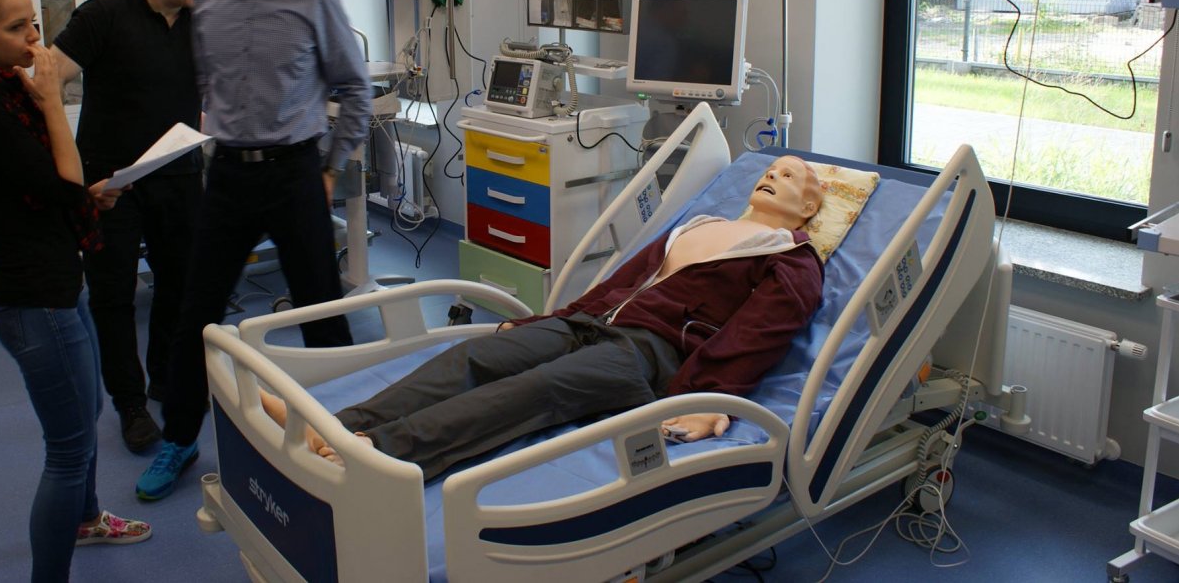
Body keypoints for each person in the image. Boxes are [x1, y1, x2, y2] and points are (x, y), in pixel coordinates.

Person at [263, 156, 825, 481]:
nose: (771, 175)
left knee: (536, 388)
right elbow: (617, 285)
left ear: (808, 208)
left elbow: (756, 336)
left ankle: (381, 452)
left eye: (789, 176)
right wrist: (547, 322)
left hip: (648, 355)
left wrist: (704, 398)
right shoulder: (700, 225)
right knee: (476, 355)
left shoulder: (791, 258)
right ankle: (334, 423)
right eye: (770, 169)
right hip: (594, 323)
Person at [136, 0, 372, 500]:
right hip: (230, 175)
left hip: (296, 173)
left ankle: (344, 441)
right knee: (198, 315)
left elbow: (355, 88)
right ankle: (179, 438)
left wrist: (330, 166)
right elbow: (204, 76)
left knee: (322, 310)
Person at [0, 0, 151, 582]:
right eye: (17, 28)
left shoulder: (5, 92)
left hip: (57, 283)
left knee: (84, 420)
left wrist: (83, 196)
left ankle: (85, 519)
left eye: (34, 22)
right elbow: (60, 183)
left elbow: (44, 189)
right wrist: (54, 100)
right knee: (68, 451)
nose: (35, 38)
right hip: (35, 300)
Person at [51, 0, 220, 453]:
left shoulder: (201, 19)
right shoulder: (103, 14)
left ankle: (166, 379)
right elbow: (48, 77)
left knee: (180, 284)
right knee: (113, 295)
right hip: (111, 184)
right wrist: (63, 170)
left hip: (178, 173)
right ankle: (128, 403)